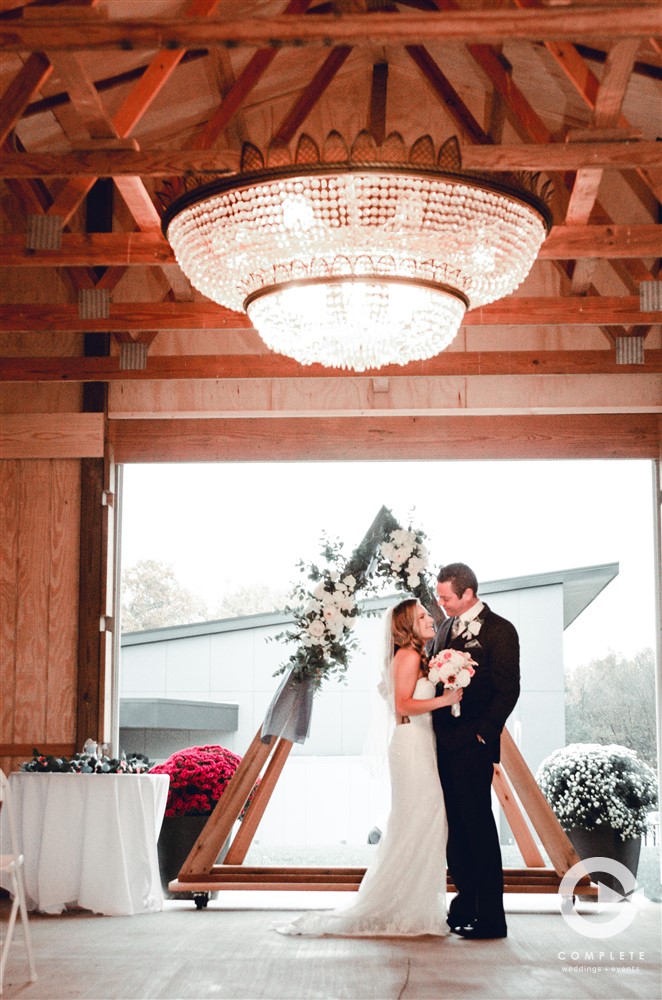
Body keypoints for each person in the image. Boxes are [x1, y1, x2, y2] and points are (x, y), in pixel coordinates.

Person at [274, 598, 462, 937]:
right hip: (410, 745)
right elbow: (402, 703)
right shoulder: (405, 656)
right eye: (422, 616)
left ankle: (415, 903)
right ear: (407, 626)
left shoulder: (420, 658)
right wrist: (444, 700)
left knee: (427, 821)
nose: (430, 618)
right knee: (417, 821)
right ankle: (400, 904)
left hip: (423, 743)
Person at [431, 562, 520, 940]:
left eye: (446, 597)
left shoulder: (501, 630)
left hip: (474, 745)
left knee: (480, 829)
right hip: (443, 745)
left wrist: (484, 734)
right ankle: (465, 905)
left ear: (468, 593)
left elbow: (508, 688)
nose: (442, 604)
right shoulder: (445, 628)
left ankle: (491, 918)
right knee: (456, 831)